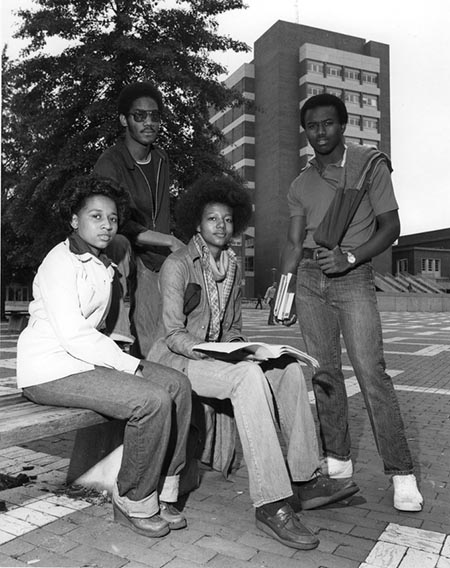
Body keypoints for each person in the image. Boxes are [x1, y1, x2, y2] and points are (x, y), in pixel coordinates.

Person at [148, 175, 358, 550]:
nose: (221, 226)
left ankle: (305, 480)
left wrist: (245, 348)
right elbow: (172, 334)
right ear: (197, 223)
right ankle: (272, 502)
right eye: (213, 219)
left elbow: (231, 329)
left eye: (228, 220)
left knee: (288, 370)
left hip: (218, 360)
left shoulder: (231, 265)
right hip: (177, 361)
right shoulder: (178, 265)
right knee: (246, 378)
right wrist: (219, 354)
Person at [16, 174, 192, 537]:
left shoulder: (103, 264)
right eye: (96, 216)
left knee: (177, 383)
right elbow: (74, 334)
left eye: (112, 218)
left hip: (78, 362)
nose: (107, 225)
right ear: (74, 220)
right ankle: (133, 498)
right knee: (151, 399)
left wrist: (126, 358)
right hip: (48, 370)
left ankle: (166, 490)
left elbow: (94, 331)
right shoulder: (59, 263)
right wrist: (131, 366)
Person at [278, 93, 423, 512]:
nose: (319, 132)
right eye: (312, 126)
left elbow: (391, 227)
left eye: (327, 124)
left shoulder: (368, 164)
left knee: (372, 374)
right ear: (305, 131)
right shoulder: (299, 184)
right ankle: (338, 462)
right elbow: (292, 241)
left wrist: (350, 258)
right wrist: (284, 290)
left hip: (354, 278)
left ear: (342, 126)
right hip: (308, 280)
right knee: (324, 374)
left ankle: (401, 474)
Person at [94, 81, 184, 358]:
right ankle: (118, 333)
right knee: (119, 241)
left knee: (157, 343)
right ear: (124, 119)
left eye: (155, 116)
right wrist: (168, 240)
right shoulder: (109, 162)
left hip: (154, 259)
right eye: (139, 116)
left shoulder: (160, 159)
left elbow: (163, 212)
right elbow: (112, 225)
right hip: (121, 255)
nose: (149, 122)